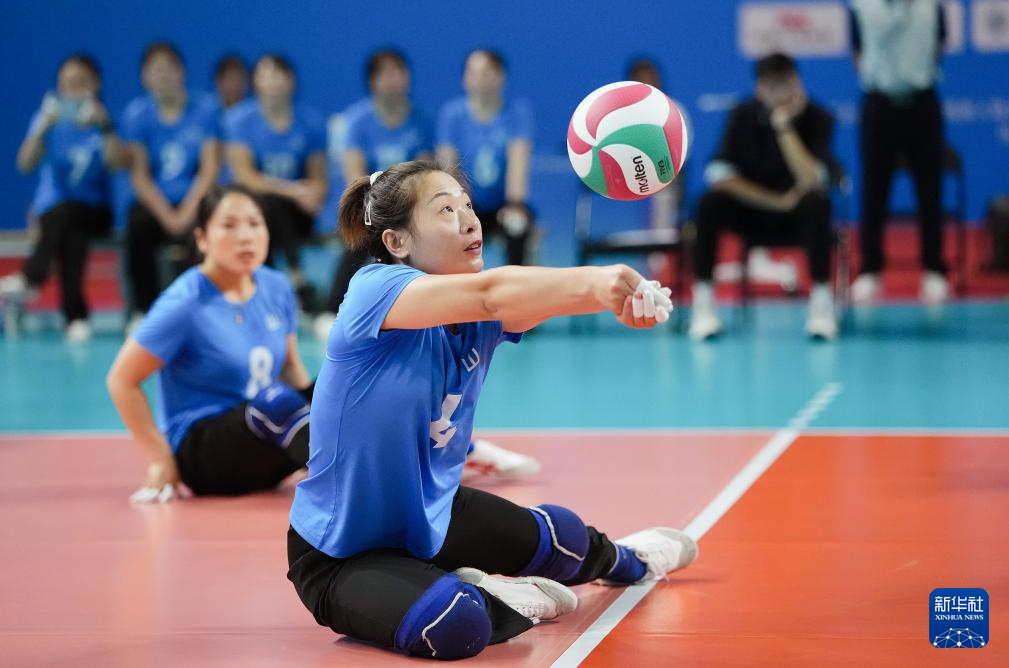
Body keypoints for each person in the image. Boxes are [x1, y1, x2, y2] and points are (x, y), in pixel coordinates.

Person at [287, 160, 697, 660]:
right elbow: (492, 295)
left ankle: (631, 559)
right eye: (445, 210)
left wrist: (621, 300)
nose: (469, 220)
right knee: (455, 623)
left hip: (429, 517)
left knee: (563, 538)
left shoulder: (479, 315)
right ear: (397, 242)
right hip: (339, 554)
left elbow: (532, 300)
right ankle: (487, 592)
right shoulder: (374, 290)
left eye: (467, 206)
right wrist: (597, 281)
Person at [107, 184, 313, 501]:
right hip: (206, 454)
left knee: (341, 385)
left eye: (254, 224)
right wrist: (160, 459)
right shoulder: (185, 302)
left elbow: (290, 366)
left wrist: (315, 411)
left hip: (264, 439)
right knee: (275, 401)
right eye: (229, 226)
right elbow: (121, 380)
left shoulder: (276, 287)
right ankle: (349, 482)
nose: (245, 236)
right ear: (202, 239)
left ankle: (356, 466)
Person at [689, 53, 837, 340]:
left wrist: (783, 126)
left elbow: (811, 179)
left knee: (818, 202)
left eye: (785, 84)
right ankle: (704, 306)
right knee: (709, 203)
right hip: (754, 213)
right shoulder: (741, 114)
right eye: (771, 86)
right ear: (759, 87)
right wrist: (776, 202)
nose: (779, 93)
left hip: (798, 216)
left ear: (797, 82)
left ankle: (821, 306)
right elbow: (719, 176)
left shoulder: (819, 117)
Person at [0, 54, 126, 342]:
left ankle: (32, 277)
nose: (73, 88)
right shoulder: (46, 121)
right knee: (70, 231)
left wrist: (105, 126)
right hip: (54, 215)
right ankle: (76, 317)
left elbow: (118, 164)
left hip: (95, 212)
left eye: (81, 82)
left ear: (96, 84)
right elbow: (25, 164)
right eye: (67, 83)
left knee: (69, 215)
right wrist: (42, 129)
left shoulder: (104, 122)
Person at [314, 49, 433, 338]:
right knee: (363, 233)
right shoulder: (356, 122)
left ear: (407, 77)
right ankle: (331, 309)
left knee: (427, 234)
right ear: (372, 81)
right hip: (372, 204)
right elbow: (355, 177)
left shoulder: (421, 122)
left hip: (410, 205)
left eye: (398, 72)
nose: (392, 79)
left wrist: (407, 206)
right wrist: (383, 207)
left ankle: (430, 308)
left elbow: (425, 175)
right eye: (385, 73)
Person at [849, 0, 949, 305]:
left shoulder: (932, 5)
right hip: (879, 105)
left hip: (922, 103)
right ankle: (870, 269)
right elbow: (857, 51)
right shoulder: (861, 6)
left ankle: (934, 268)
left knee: (930, 190)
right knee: (874, 191)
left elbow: (938, 45)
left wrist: (912, 74)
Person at [122, 42, 221, 328]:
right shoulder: (136, 115)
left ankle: (201, 310)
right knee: (138, 224)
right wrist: (167, 215)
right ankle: (145, 311)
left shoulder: (206, 110)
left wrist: (187, 210)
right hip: (157, 203)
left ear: (181, 72)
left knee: (206, 228)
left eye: (168, 68)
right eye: (154, 70)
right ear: (144, 77)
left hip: (193, 198)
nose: (162, 76)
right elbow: (139, 174)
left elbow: (209, 168)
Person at [225, 53, 327, 310]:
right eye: (265, 76)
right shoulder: (239, 120)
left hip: (297, 214)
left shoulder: (310, 122)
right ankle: (295, 278)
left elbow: (319, 178)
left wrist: (314, 195)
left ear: (291, 81)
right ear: (255, 82)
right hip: (257, 213)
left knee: (274, 207)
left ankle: (274, 291)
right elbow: (245, 177)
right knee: (268, 204)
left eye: (278, 76)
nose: (272, 83)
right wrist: (292, 191)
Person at [436, 49, 535, 267]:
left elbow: (518, 163)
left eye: (487, 73)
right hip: (464, 202)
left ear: (501, 77)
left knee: (517, 224)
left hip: (503, 206)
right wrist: (462, 207)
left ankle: (515, 285)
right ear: (464, 79)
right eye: (474, 73)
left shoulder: (517, 112)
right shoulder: (452, 114)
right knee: (443, 227)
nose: (480, 79)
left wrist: (514, 204)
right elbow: (448, 168)